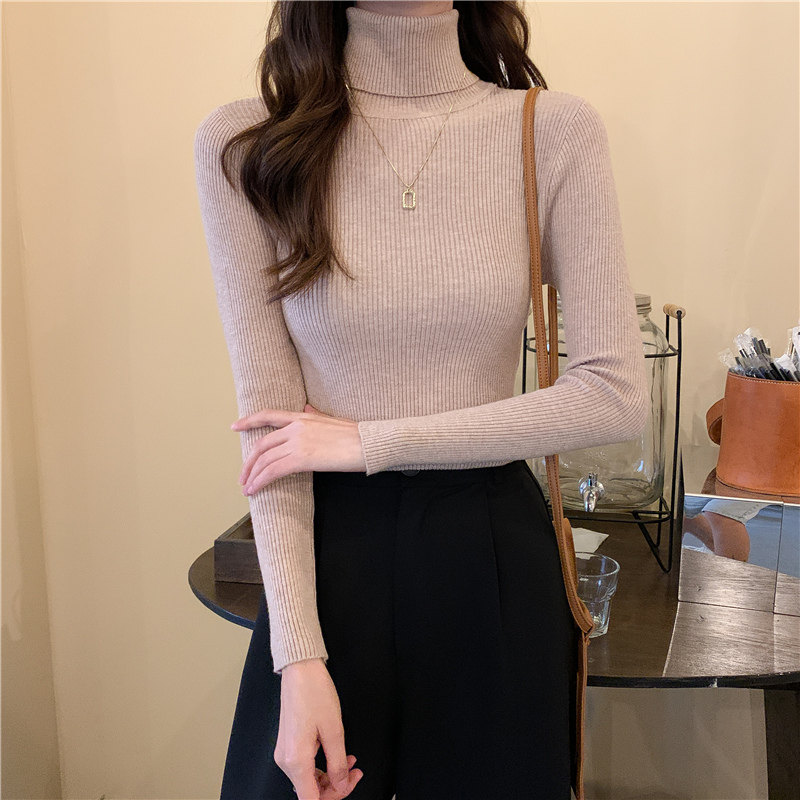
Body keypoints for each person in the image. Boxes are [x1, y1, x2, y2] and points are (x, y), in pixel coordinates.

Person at [193, 1, 649, 798]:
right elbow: (270, 429)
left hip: (491, 559)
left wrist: (370, 440)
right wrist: (298, 660)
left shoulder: (551, 131)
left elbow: (614, 394)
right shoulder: (248, 145)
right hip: (326, 558)